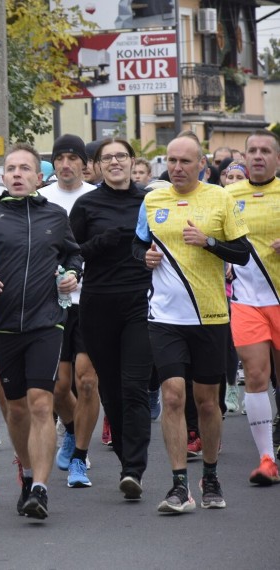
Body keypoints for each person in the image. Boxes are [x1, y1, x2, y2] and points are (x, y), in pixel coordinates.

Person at [132, 132, 250, 514]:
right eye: (171, 160)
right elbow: (137, 244)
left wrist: (209, 242)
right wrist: (144, 258)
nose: (177, 167)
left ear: (202, 164)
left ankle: (211, 475)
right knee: (172, 395)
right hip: (165, 317)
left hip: (210, 315)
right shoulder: (152, 199)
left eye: (185, 161)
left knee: (207, 403)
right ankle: (179, 485)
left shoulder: (220, 198)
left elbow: (243, 254)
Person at [0, 143, 83, 520]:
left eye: (25, 169)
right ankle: (28, 472)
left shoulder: (55, 215)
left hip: (47, 322)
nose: (17, 173)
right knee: (15, 409)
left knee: (40, 402)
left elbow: (73, 253)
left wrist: (72, 274)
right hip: (2, 327)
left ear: (39, 177)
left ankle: (40, 489)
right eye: (11, 168)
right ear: (3, 177)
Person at [70, 138, 154, 500]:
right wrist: (99, 244)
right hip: (98, 304)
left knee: (134, 385)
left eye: (121, 156)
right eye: (108, 158)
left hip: (141, 302)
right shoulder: (87, 205)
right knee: (112, 392)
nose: (115, 162)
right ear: (98, 166)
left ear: (132, 162)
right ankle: (125, 461)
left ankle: (134, 468)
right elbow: (71, 253)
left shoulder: (150, 200)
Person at [39, 134, 100, 489]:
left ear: (84, 164)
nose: (65, 165)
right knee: (60, 388)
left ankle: (79, 457)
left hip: (91, 302)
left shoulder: (95, 199)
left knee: (87, 381)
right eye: (59, 158)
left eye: (72, 158)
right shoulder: (42, 199)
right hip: (52, 303)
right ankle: (74, 429)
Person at [225, 129, 280, 485]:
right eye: (252, 151)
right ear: (244, 157)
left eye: (265, 151)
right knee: (256, 376)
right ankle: (266, 460)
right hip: (246, 300)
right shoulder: (226, 196)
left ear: (277, 159)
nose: (258, 156)